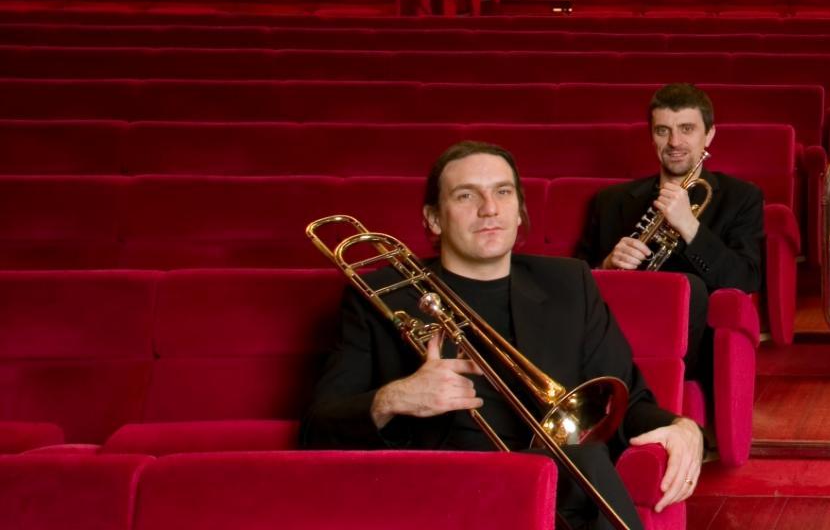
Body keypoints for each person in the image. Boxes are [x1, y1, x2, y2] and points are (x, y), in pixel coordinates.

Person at [302, 141, 705, 530]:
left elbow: (625, 399)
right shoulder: (380, 295)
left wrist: (682, 427)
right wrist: (395, 398)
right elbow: (319, 426)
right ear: (434, 219)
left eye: (502, 192)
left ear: (519, 212)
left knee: (587, 463)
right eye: (465, 196)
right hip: (445, 490)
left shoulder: (569, 283)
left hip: (554, 492)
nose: (489, 209)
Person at [575, 83, 764, 398]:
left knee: (691, 286)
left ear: (710, 135)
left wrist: (690, 227)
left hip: (691, 349)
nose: (674, 142)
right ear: (651, 136)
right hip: (617, 336)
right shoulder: (610, 201)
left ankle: (656, 398)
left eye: (687, 129)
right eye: (663, 130)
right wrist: (606, 265)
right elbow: (575, 280)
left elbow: (744, 278)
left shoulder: (741, 198)